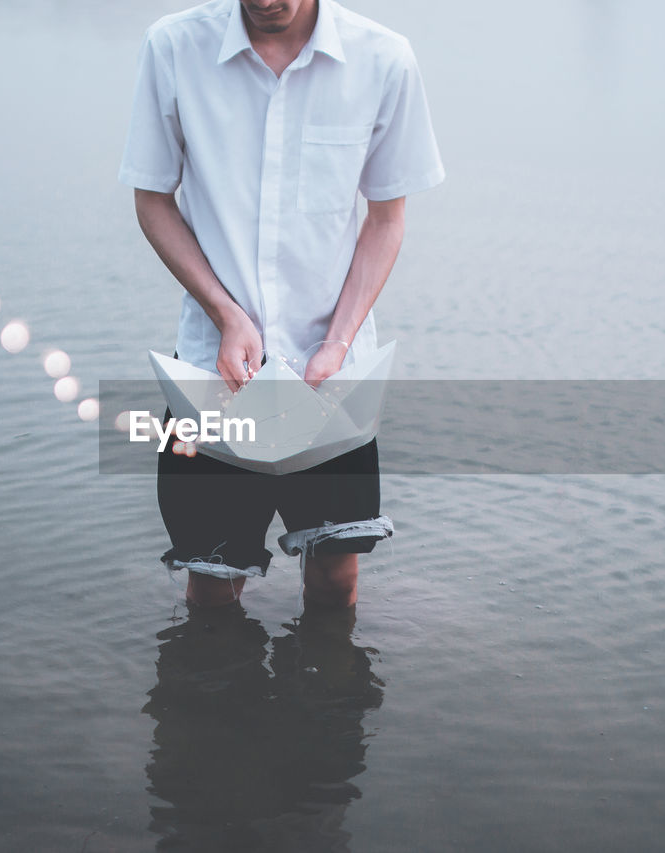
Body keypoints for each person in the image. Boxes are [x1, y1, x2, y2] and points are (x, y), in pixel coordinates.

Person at [119, 0, 443, 608]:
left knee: (335, 576)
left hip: (335, 378)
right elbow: (152, 199)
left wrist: (338, 341)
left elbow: (386, 218)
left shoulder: (384, 58)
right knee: (211, 582)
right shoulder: (172, 46)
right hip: (210, 374)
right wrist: (226, 313)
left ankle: (323, 702)